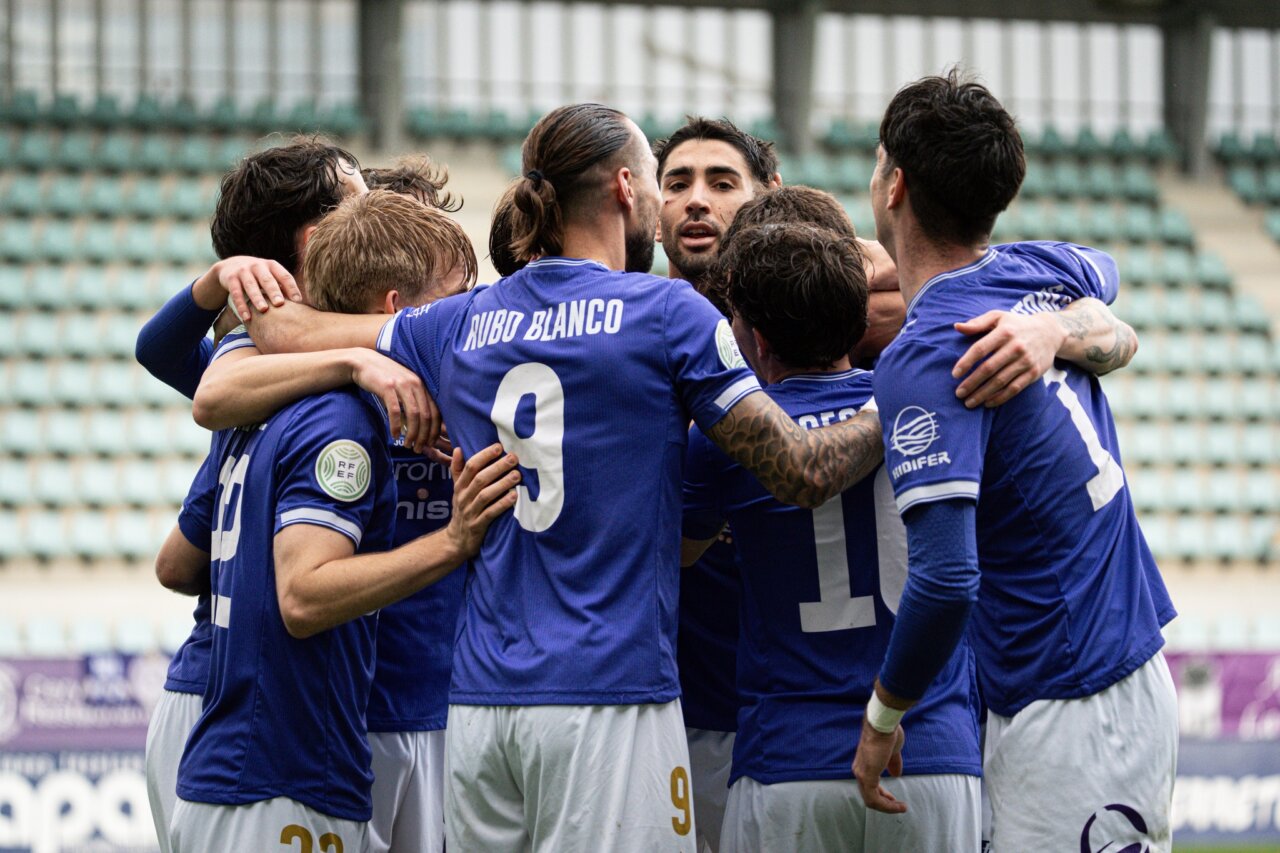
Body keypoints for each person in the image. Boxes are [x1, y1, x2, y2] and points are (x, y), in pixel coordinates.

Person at [236, 101, 887, 852]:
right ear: (625, 188)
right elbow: (802, 469)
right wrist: (895, 403)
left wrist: (280, 310)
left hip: (480, 711)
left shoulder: (460, 322)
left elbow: (282, 330)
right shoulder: (666, 312)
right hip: (610, 699)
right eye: (657, 182)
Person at [851, 71, 1175, 853]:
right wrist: (1058, 326)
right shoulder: (1038, 270)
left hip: (1075, 699)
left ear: (895, 184)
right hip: (1096, 678)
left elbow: (945, 579)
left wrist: (881, 717)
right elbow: (1106, 279)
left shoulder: (930, 351)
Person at [166, 190, 519, 851]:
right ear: (397, 310)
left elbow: (178, 560)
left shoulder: (277, 400)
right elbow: (302, 595)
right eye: (454, 297)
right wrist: (453, 541)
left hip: (273, 759)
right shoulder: (338, 419)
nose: (465, 317)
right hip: (278, 771)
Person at [682, 220, 982, 851]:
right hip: (931, 754)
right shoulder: (926, 404)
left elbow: (679, 554)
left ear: (758, 339)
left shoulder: (723, 442)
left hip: (790, 760)